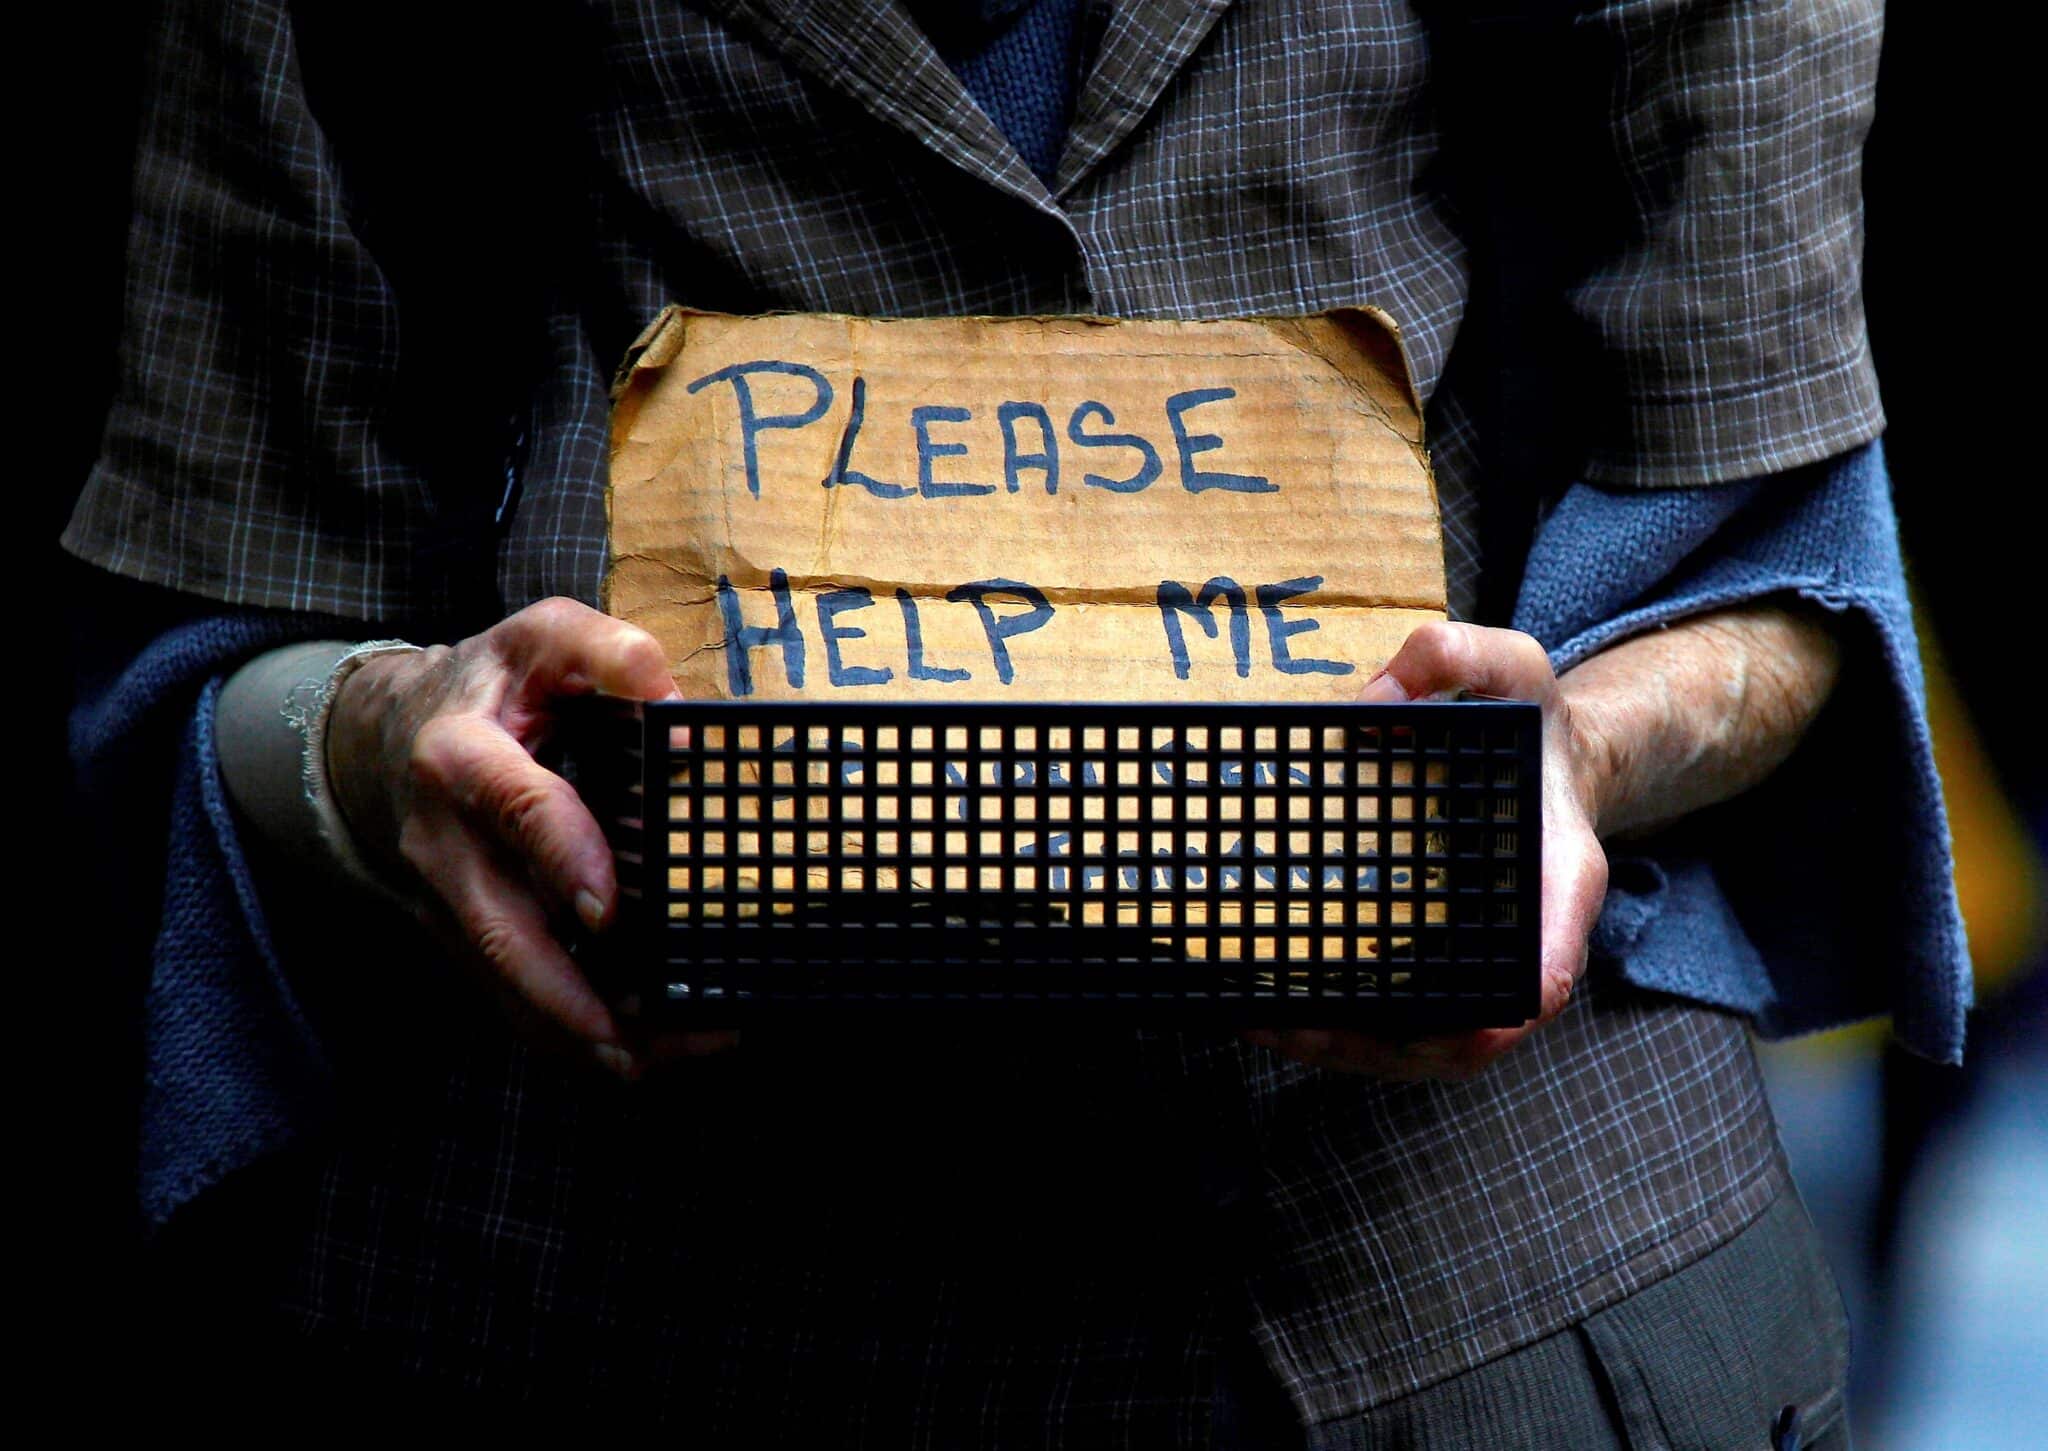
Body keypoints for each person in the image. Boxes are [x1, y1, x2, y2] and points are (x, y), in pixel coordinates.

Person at [69, 0, 1965, 1443]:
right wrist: (375, 744)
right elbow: (203, 626)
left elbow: (1781, 539)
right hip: (580, 1282)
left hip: (1468, 1304)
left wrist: (1580, 752)